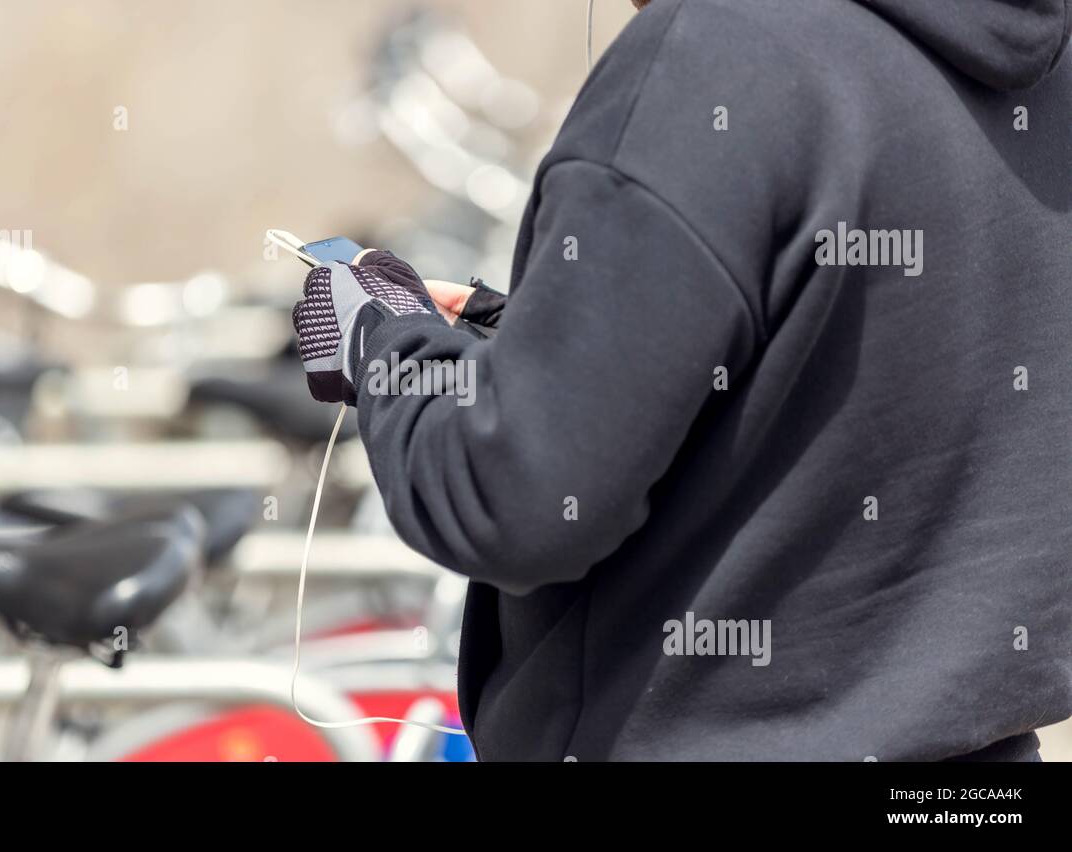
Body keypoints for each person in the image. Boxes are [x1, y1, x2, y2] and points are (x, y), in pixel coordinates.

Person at [291, 0, 1072, 761]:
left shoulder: (719, 52)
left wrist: (379, 338)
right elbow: (875, 357)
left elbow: (512, 498)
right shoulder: (1038, 50)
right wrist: (540, 343)